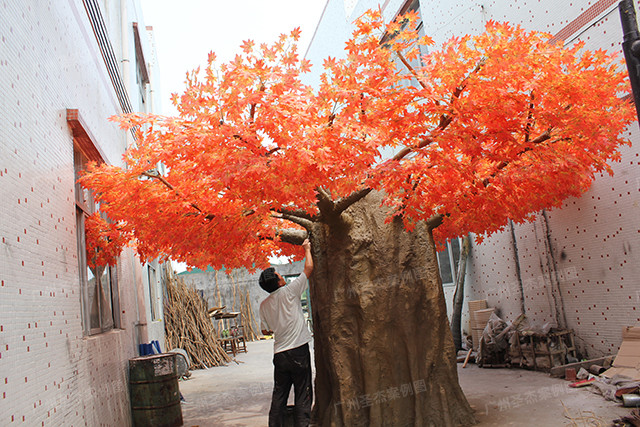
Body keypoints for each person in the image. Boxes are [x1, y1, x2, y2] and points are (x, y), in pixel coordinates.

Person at [259, 238, 314, 427]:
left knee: (279, 394)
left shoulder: (264, 305)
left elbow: (265, 330)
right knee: (303, 392)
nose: (282, 276)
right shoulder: (290, 291)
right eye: (280, 275)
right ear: (279, 282)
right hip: (298, 350)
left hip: (280, 354)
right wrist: (307, 249)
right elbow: (308, 269)